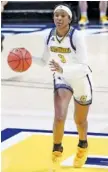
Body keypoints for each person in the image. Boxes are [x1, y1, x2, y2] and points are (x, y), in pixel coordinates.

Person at [32, 4, 93, 169]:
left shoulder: (76, 36)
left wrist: (63, 68)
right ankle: (56, 150)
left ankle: (82, 145)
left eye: (62, 16)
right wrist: (27, 58)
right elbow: (44, 61)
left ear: (69, 19)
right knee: (59, 117)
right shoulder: (49, 36)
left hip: (80, 78)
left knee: (80, 121)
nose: (58, 18)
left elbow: (84, 66)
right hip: (62, 78)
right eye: (56, 15)